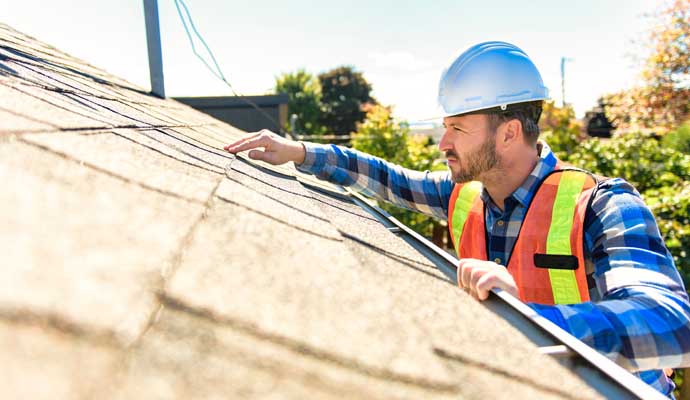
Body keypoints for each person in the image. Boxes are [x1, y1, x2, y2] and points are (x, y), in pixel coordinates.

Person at [225, 41, 690, 396]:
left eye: (458, 129)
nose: (442, 143)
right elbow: (388, 178)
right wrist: (301, 152)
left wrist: (533, 321)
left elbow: (673, 321)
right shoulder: (466, 193)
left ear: (508, 133)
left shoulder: (603, 206)